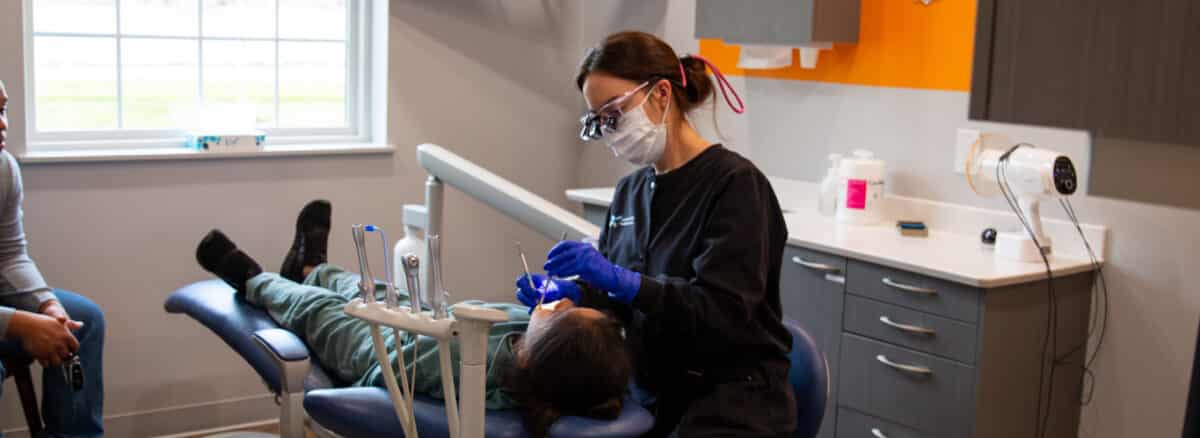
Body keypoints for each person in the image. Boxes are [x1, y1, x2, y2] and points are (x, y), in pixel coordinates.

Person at [514, 31, 796, 437]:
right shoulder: (630, 192)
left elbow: (722, 314)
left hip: (733, 403)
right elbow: (626, 300)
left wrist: (623, 281)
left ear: (661, 94)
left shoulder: (735, 186)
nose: (610, 129)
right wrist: (578, 294)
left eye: (614, 112)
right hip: (655, 392)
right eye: (599, 121)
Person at [194, 200, 632, 437]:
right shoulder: (534, 339)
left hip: (372, 349)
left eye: (560, 314)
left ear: (528, 357)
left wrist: (368, 358)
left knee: (318, 309)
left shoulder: (487, 381)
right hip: (417, 318)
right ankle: (313, 267)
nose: (562, 305)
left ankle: (252, 278)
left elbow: (383, 383)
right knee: (373, 288)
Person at [0, 80, 105, 437]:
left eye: (2, 109)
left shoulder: (3, 168)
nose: (2, 124)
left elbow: (10, 255)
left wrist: (47, 307)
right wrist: (20, 324)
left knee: (83, 320)